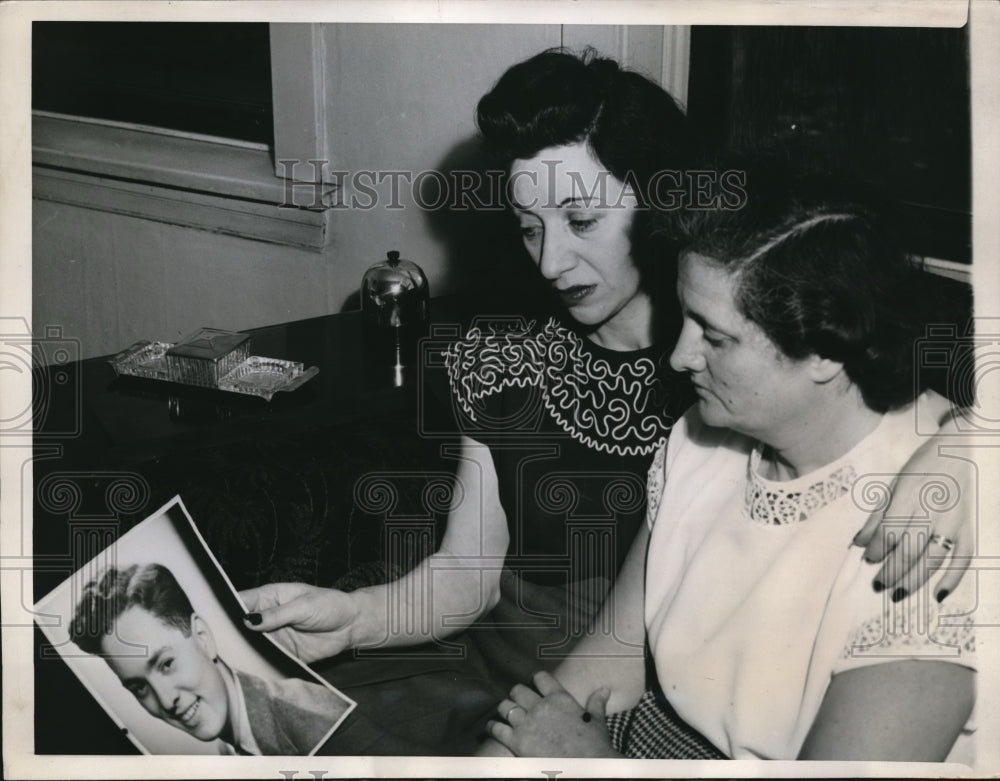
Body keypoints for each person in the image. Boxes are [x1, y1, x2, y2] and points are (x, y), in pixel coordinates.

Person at [239, 50, 973, 755]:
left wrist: (967, 446)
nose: (551, 261)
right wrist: (354, 618)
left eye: (582, 221)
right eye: (530, 228)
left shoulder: (736, 364)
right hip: (525, 691)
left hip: (621, 716)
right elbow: (467, 572)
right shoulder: (511, 361)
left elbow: (885, 369)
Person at [486, 170, 976, 761]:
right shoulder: (701, 436)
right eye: (684, 316)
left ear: (823, 352)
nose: (678, 355)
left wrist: (587, 767)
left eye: (714, 337)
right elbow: (607, 660)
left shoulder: (933, 532)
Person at [70, 563, 350, 755]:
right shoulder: (228, 748)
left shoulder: (312, 716)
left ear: (203, 637)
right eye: (139, 687)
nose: (166, 701)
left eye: (166, 664)